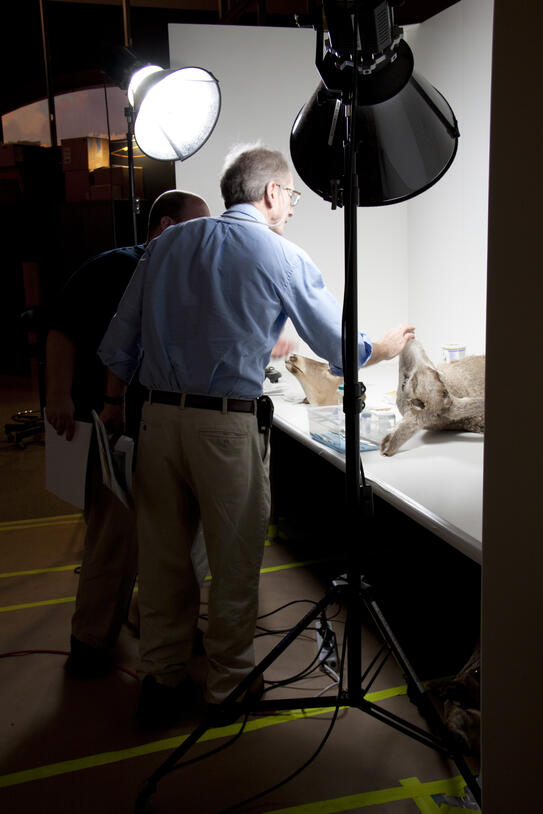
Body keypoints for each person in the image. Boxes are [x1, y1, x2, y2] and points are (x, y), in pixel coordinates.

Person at [98, 144, 415, 728]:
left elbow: (120, 344)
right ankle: (228, 686)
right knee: (234, 561)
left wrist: (121, 409)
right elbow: (338, 348)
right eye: (291, 195)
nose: (293, 206)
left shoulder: (163, 246)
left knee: (165, 562)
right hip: (225, 426)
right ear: (270, 193)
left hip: (157, 420)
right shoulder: (281, 253)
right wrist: (381, 348)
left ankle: (161, 681)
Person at [45, 190, 211, 678]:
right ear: (162, 226)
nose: (203, 239)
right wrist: (59, 397)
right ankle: (91, 639)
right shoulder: (113, 268)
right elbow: (62, 329)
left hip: (165, 426)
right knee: (113, 539)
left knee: (180, 539)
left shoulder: (188, 280)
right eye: (193, 228)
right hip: (110, 424)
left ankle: (157, 620)